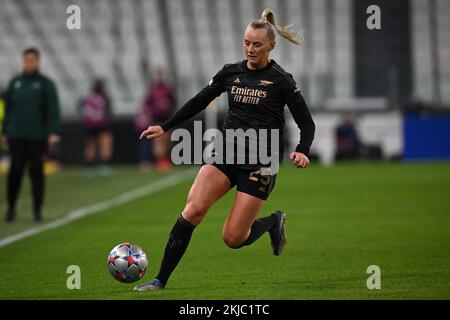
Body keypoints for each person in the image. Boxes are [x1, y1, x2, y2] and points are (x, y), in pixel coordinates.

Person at [134, 9, 315, 291]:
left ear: (271, 45)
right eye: (246, 43)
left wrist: (303, 149)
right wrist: (166, 126)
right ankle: (160, 280)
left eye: (256, 44)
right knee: (192, 211)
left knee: (233, 238)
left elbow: (307, 123)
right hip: (226, 151)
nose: (250, 49)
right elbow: (200, 100)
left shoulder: (282, 80)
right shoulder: (231, 72)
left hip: (261, 162)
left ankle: (272, 222)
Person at [1, 48, 61, 222]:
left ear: (37, 61)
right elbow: (9, 109)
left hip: (37, 136)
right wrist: (5, 131)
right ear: (23, 60)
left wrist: (54, 131)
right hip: (16, 135)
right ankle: (11, 208)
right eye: (26, 60)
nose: (29, 63)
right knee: (15, 171)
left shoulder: (45, 84)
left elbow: (53, 109)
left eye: (32, 60)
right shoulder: (15, 82)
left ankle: (37, 209)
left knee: (36, 172)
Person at [141, 70, 175, 173]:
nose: (159, 78)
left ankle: (165, 160)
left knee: (167, 141)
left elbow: (173, 103)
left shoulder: (168, 89)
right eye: (157, 76)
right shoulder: (152, 90)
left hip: (167, 118)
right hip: (156, 119)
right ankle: (161, 161)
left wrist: (167, 104)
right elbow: (147, 104)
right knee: (158, 141)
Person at [80, 79, 114, 177]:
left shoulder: (88, 96)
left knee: (90, 146)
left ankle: (89, 168)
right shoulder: (104, 96)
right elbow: (108, 110)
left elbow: (82, 109)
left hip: (89, 125)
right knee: (105, 144)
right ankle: (103, 166)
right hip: (101, 124)